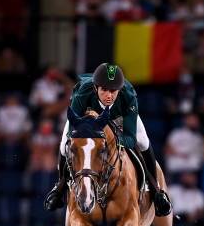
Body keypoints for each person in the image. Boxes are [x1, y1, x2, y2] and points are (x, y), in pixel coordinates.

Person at [43, 63, 172, 216]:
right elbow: (74, 131)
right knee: (65, 143)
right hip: (87, 120)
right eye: (104, 90)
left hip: (120, 118)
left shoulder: (127, 97)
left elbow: (130, 138)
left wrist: (111, 140)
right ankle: (60, 187)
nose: (109, 96)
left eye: (113, 91)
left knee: (143, 141)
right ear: (95, 87)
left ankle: (156, 190)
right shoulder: (82, 94)